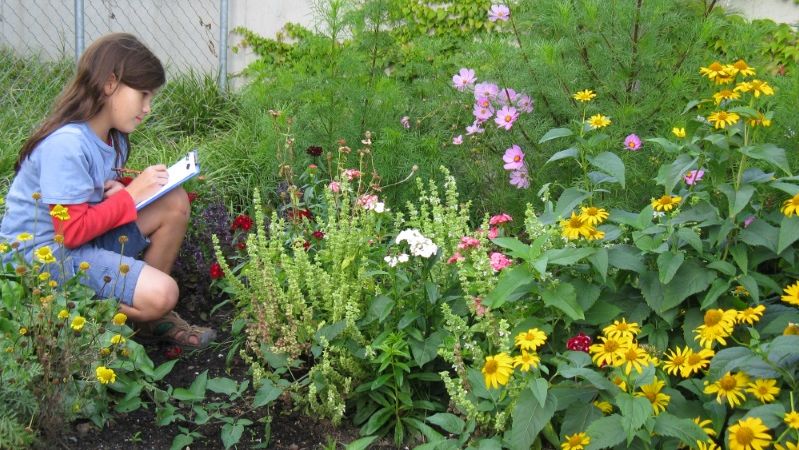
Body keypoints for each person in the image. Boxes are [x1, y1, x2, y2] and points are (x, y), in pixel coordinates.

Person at [0, 33, 216, 348]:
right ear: (110, 83)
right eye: (142, 94)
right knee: (164, 293)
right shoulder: (67, 145)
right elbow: (69, 230)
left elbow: (84, 204)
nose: (148, 107)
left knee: (172, 200)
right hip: (41, 259)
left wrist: (118, 192)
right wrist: (130, 196)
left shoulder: (111, 139)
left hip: (78, 242)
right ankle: (71, 315)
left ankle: (149, 318)